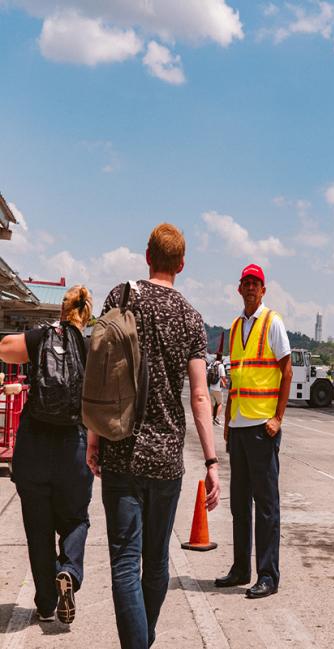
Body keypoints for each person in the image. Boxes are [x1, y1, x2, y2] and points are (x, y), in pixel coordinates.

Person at [86, 223, 220, 649]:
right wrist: (212, 462)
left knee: (125, 563)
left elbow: (102, 374)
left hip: (121, 447)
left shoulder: (120, 298)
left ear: (147, 256)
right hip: (166, 458)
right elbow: (200, 394)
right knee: (156, 562)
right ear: (181, 264)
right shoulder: (191, 317)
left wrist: (93, 437)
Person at [0, 285, 93, 624]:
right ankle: (68, 569)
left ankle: (45, 603)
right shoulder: (88, 345)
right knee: (76, 519)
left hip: (34, 447)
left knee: (38, 530)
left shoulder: (43, 337)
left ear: (61, 311)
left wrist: (38, 338)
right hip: (74, 446)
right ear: (86, 314)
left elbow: (5, 349)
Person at [214, 263, 292, 599]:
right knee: (239, 505)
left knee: (265, 505)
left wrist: (278, 418)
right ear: (238, 288)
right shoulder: (234, 326)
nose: (249, 288)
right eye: (245, 282)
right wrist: (229, 421)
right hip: (240, 425)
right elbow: (236, 379)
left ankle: (267, 575)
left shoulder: (272, 322)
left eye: (255, 283)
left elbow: (286, 372)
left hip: (262, 427)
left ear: (263, 290)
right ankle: (240, 569)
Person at [208, 355, 226, 425]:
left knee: (212, 404)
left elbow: (207, 372)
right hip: (218, 388)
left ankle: (210, 418)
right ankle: (217, 418)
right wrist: (225, 382)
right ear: (221, 359)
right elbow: (223, 376)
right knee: (220, 403)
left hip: (211, 386)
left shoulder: (211, 364)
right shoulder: (221, 365)